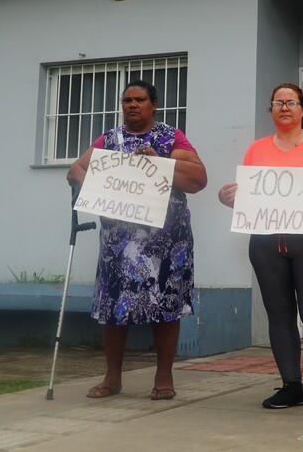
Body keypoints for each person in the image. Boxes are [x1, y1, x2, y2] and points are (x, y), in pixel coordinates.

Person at [66, 80, 207, 401]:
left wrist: (159, 162)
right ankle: (112, 377)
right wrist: (100, 197)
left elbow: (198, 179)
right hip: (119, 245)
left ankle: (164, 378)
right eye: (127, 100)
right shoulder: (110, 139)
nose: (132, 105)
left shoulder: (171, 138)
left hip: (167, 244)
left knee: (166, 307)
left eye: (140, 99)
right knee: (114, 305)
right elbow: (75, 171)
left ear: (153, 104)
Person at [218, 83, 303, 417]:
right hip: (266, 243)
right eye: (278, 103)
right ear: (272, 110)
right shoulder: (257, 148)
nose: (284, 107)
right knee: (279, 315)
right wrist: (228, 198)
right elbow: (247, 196)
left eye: (291, 102)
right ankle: (291, 386)